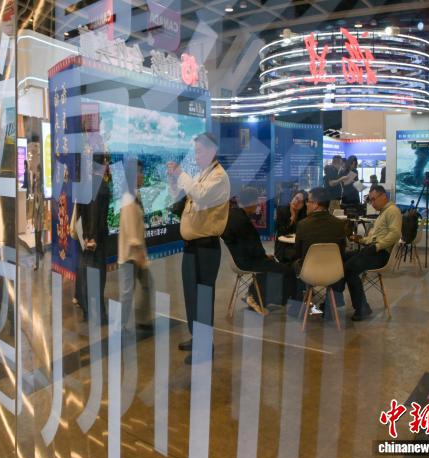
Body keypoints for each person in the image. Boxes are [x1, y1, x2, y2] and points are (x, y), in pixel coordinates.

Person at [168, 132, 230, 364]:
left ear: (212, 151)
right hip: (192, 247)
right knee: (191, 296)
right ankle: (197, 337)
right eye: (195, 151)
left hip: (206, 248)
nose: (196, 156)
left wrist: (181, 174)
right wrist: (174, 182)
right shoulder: (202, 175)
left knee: (203, 298)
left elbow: (200, 195)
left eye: (199, 151)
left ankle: (205, 347)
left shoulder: (219, 177)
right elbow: (186, 199)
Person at [222, 187, 296, 312]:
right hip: (246, 261)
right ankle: (262, 298)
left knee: (271, 264)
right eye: (257, 202)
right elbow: (254, 248)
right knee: (287, 270)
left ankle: (255, 295)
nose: (258, 205)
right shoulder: (243, 221)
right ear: (252, 202)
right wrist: (264, 256)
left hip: (237, 258)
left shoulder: (233, 215)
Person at [343, 185, 401, 321]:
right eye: (370, 200)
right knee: (341, 258)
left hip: (381, 254)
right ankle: (333, 300)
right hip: (373, 251)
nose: (372, 203)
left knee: (349, 268)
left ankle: (362, 308)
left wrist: (377, 246)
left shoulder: (392, 211)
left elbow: (395, 234)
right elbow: (375, 238)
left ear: (384, 196)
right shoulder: (383, 212)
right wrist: (360, 239)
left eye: (374, 199)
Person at [118, 159, 153, 332]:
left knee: (146, 285)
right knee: (127, 292)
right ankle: (120, 325)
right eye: (140, 172)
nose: (142, 175)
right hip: (130, 255)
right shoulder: (128, 199)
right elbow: (132, 232)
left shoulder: (135, 196)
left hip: (136, 254)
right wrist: (140, 256)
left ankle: (143, 319)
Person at [76, 154, 111, 322]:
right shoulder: (100, 185)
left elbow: (81, 211)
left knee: (86, 275)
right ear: (102, 164)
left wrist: (85, 236)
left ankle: (88, 311)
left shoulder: (86, 184)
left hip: (87, 238)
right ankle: (98, 314)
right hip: (96, 239)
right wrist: (93, 237)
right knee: (98, 277)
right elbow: (96, 212)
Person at [274, 190, 307, 263]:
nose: (296, 202)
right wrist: (292, 217)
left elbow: (301, 232)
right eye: (296, 198)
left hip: (297, 245)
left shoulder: (304, 214)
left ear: (303, 205)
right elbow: (282, 231)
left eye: (300, 202)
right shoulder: (281, 209)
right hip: (283, 245)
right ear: (293, 197)